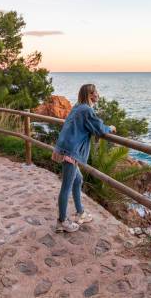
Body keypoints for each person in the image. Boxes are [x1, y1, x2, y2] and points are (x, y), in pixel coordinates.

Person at [52, 84, 116, 233]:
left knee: (78, 179)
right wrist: (110, 128)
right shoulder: (86, 110)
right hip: (70, 152)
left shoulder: (78, 107)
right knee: (65, 188)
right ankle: (62, 221)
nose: (98, 95)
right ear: (90, 95)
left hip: (65, 148)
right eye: (96, 92)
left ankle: (80, 212)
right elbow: (99, 129)